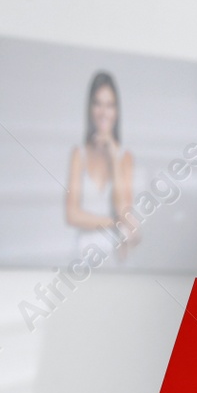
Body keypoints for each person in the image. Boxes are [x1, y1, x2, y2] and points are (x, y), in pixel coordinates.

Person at [65, 70, 138, 265]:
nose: (104, 112)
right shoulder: (79, 154)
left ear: (117, 110)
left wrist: (114, 158)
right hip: (81, 256)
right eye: (98, 104)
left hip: (114, 258)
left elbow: (124, 212)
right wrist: (113, 223)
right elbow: (72, 215)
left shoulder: (125, 157)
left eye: (110, 105)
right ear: (90, 108)